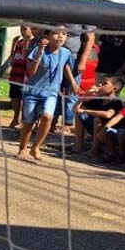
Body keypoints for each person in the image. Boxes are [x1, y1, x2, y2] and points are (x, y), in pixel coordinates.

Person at [16, 27, 79, 161]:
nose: (60, 36)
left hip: (51, 92)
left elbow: (66, 66)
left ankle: (36, 147)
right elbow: (31, 71)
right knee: (28, 122)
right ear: (47, 36)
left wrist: (73, 83)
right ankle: (22, 148)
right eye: (55, 33)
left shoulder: (66, 52)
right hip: (32, 92)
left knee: (47, 116)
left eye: (64, 34)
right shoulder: (38, 50)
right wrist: (39, 51)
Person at [52, 0, 96, 136]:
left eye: (75, 2)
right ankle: (51, 122)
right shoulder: (57, 16)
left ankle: (67, 124)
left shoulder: (83, 17)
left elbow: (90, 38)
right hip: (56, 55)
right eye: (68, 2)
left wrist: (82, 61)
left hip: (73, 58)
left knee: (71, 91)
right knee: (54, 89)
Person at [71, 76, 125, 161]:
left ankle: (94, 150)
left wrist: (86, 111)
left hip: (112, 133)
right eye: (101, 83)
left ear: (114, 89)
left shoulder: (117, 102)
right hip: (98, 131)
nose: (100, 85)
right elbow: (75, 109)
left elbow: (108, 115)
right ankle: (79, 146)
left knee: (97, 118)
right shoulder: (99, 101)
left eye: (104, 84)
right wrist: (86, 94)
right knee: (79, 115)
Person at [6, 25, 35, 129]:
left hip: (25, 75)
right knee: (14, 97)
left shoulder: (34, 43)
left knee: (24, 99)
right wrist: (13, 45)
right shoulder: (19, 42)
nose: (22, 31)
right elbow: (13, 56)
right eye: (21, 29)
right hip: (16, 74)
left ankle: (24, 121)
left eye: (25, 29)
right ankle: (15, 118)